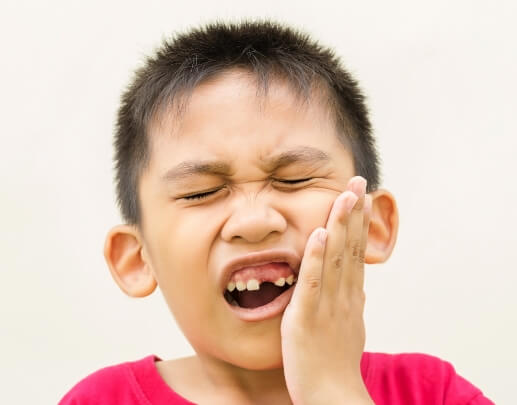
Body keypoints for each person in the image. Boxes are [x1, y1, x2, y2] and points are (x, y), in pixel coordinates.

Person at [59, 20, 494, 404]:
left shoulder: (432, 392)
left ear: (372, 225)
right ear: (135, 259)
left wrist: (333, 391)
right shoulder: (99, 401)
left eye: (294, 179)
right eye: (202, 192)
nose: (254, 222)